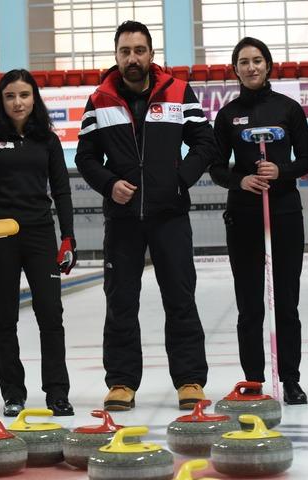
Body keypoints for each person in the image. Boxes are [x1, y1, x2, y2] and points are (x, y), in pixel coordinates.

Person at [75, 20, 218, 411]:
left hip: (169, 215)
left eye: (139, 50)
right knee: (121, 300)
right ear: (116, 55)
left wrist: (180, 180)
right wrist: (109, 184)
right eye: (125, 51)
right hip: (122, 219)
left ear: (151, 54)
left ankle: (189, 380)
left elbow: (206, 143)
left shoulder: (177, 92)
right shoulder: (99, 100)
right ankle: (121, 382)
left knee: (180, 296)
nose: (132, 58)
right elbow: (85, 157)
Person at [0, 69, 77, 417]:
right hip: (0, 236)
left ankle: (57, 393)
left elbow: (61, 190)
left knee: (51, 314)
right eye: (10, 96)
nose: (18, 102)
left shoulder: (47, 140)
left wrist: (68, 237)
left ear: (35, 99)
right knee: (5, 318)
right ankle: (13, 393)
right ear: (1, 100)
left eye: (25, 95)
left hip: (40, 235)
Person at [209, 37, 308, 405]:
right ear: (235, 69)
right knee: (250, 304)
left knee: (286, 302)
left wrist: (281, 171)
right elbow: (216, 167)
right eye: (244, 62)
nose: (251, 67)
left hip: (284, 213)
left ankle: (292, 378)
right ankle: (253, 380)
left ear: (268, 65)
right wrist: (242, 179)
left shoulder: (288, 109)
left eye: (257, 60)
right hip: (244, 215)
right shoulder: (227, 114)